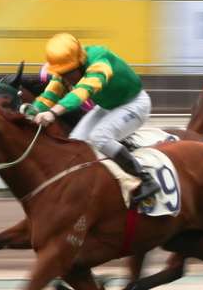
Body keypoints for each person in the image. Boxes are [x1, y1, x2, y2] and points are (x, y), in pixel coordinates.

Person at [29, 32, 160, 203]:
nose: (65, 78)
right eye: (61, 73)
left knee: (100, 137)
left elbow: (83, 91)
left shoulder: (100, 61)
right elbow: (50, 95)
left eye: (68, 73)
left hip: (135, 104)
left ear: (80, 63)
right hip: (108, 107)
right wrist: (31, 111)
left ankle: (145, 178)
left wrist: (52, 113)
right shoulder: (66, 69)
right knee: (75, 142)